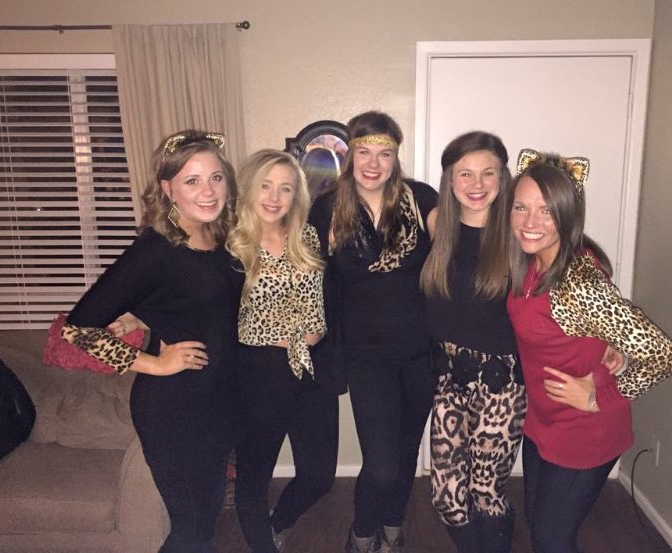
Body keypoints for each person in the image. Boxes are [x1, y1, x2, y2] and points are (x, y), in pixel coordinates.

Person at [61, 130, 243, 553]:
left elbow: (198, 302)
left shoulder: (219, 238)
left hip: (217, 401)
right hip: (173, 408)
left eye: (216, 177)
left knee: (206, 519)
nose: (208, 190)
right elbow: (78, 329)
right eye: (192, 180)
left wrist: (145, 313)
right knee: (190, 530)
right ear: (167, 188)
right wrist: (155, 363)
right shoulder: (155, 249)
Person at [505, 149, 672, 553]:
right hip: (542, 420)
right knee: (540, 527)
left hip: (584, 429)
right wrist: (611, 342)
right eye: (521, 207)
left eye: (547, 211)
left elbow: (663, 355)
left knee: (552, 538)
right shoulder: (530, 262)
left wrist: (599, 398)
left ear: (568, 215)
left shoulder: (578, 282)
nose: (530, 222)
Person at [308, 111, 438, 553]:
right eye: (364, 151)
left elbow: (460, 245)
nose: (373, 163)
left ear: (396, 157)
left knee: (406, 452)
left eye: (385, 153)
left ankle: (393, 525)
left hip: (421, 353)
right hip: (366, 358)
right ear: (350, 154)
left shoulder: (421, 198)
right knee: (381, 464)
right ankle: (363, 529)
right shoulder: (328, 207)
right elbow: (301, 271)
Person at [226, 149, 336, 553]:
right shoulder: (230, 244)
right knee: (254, 476)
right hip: (260, 372)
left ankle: (278, 522)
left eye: (285, 188)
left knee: (320, 475)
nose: (274, 197)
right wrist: (144, 317)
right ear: (249, 189)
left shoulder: (308, 236)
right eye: (266, 186)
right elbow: (196, 301)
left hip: (311, 369)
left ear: (296, 195)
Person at [421, 131, 525, 553]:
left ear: (503, 177)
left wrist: (603, 344)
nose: (477, 184)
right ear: (449, 178)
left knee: (486, 492)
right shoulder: (437, 225)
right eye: (465, 173)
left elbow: (575, 264)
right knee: (446, 496)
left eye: (488, 173)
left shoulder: (519, 233)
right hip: (449, 377)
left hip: (502, 383)